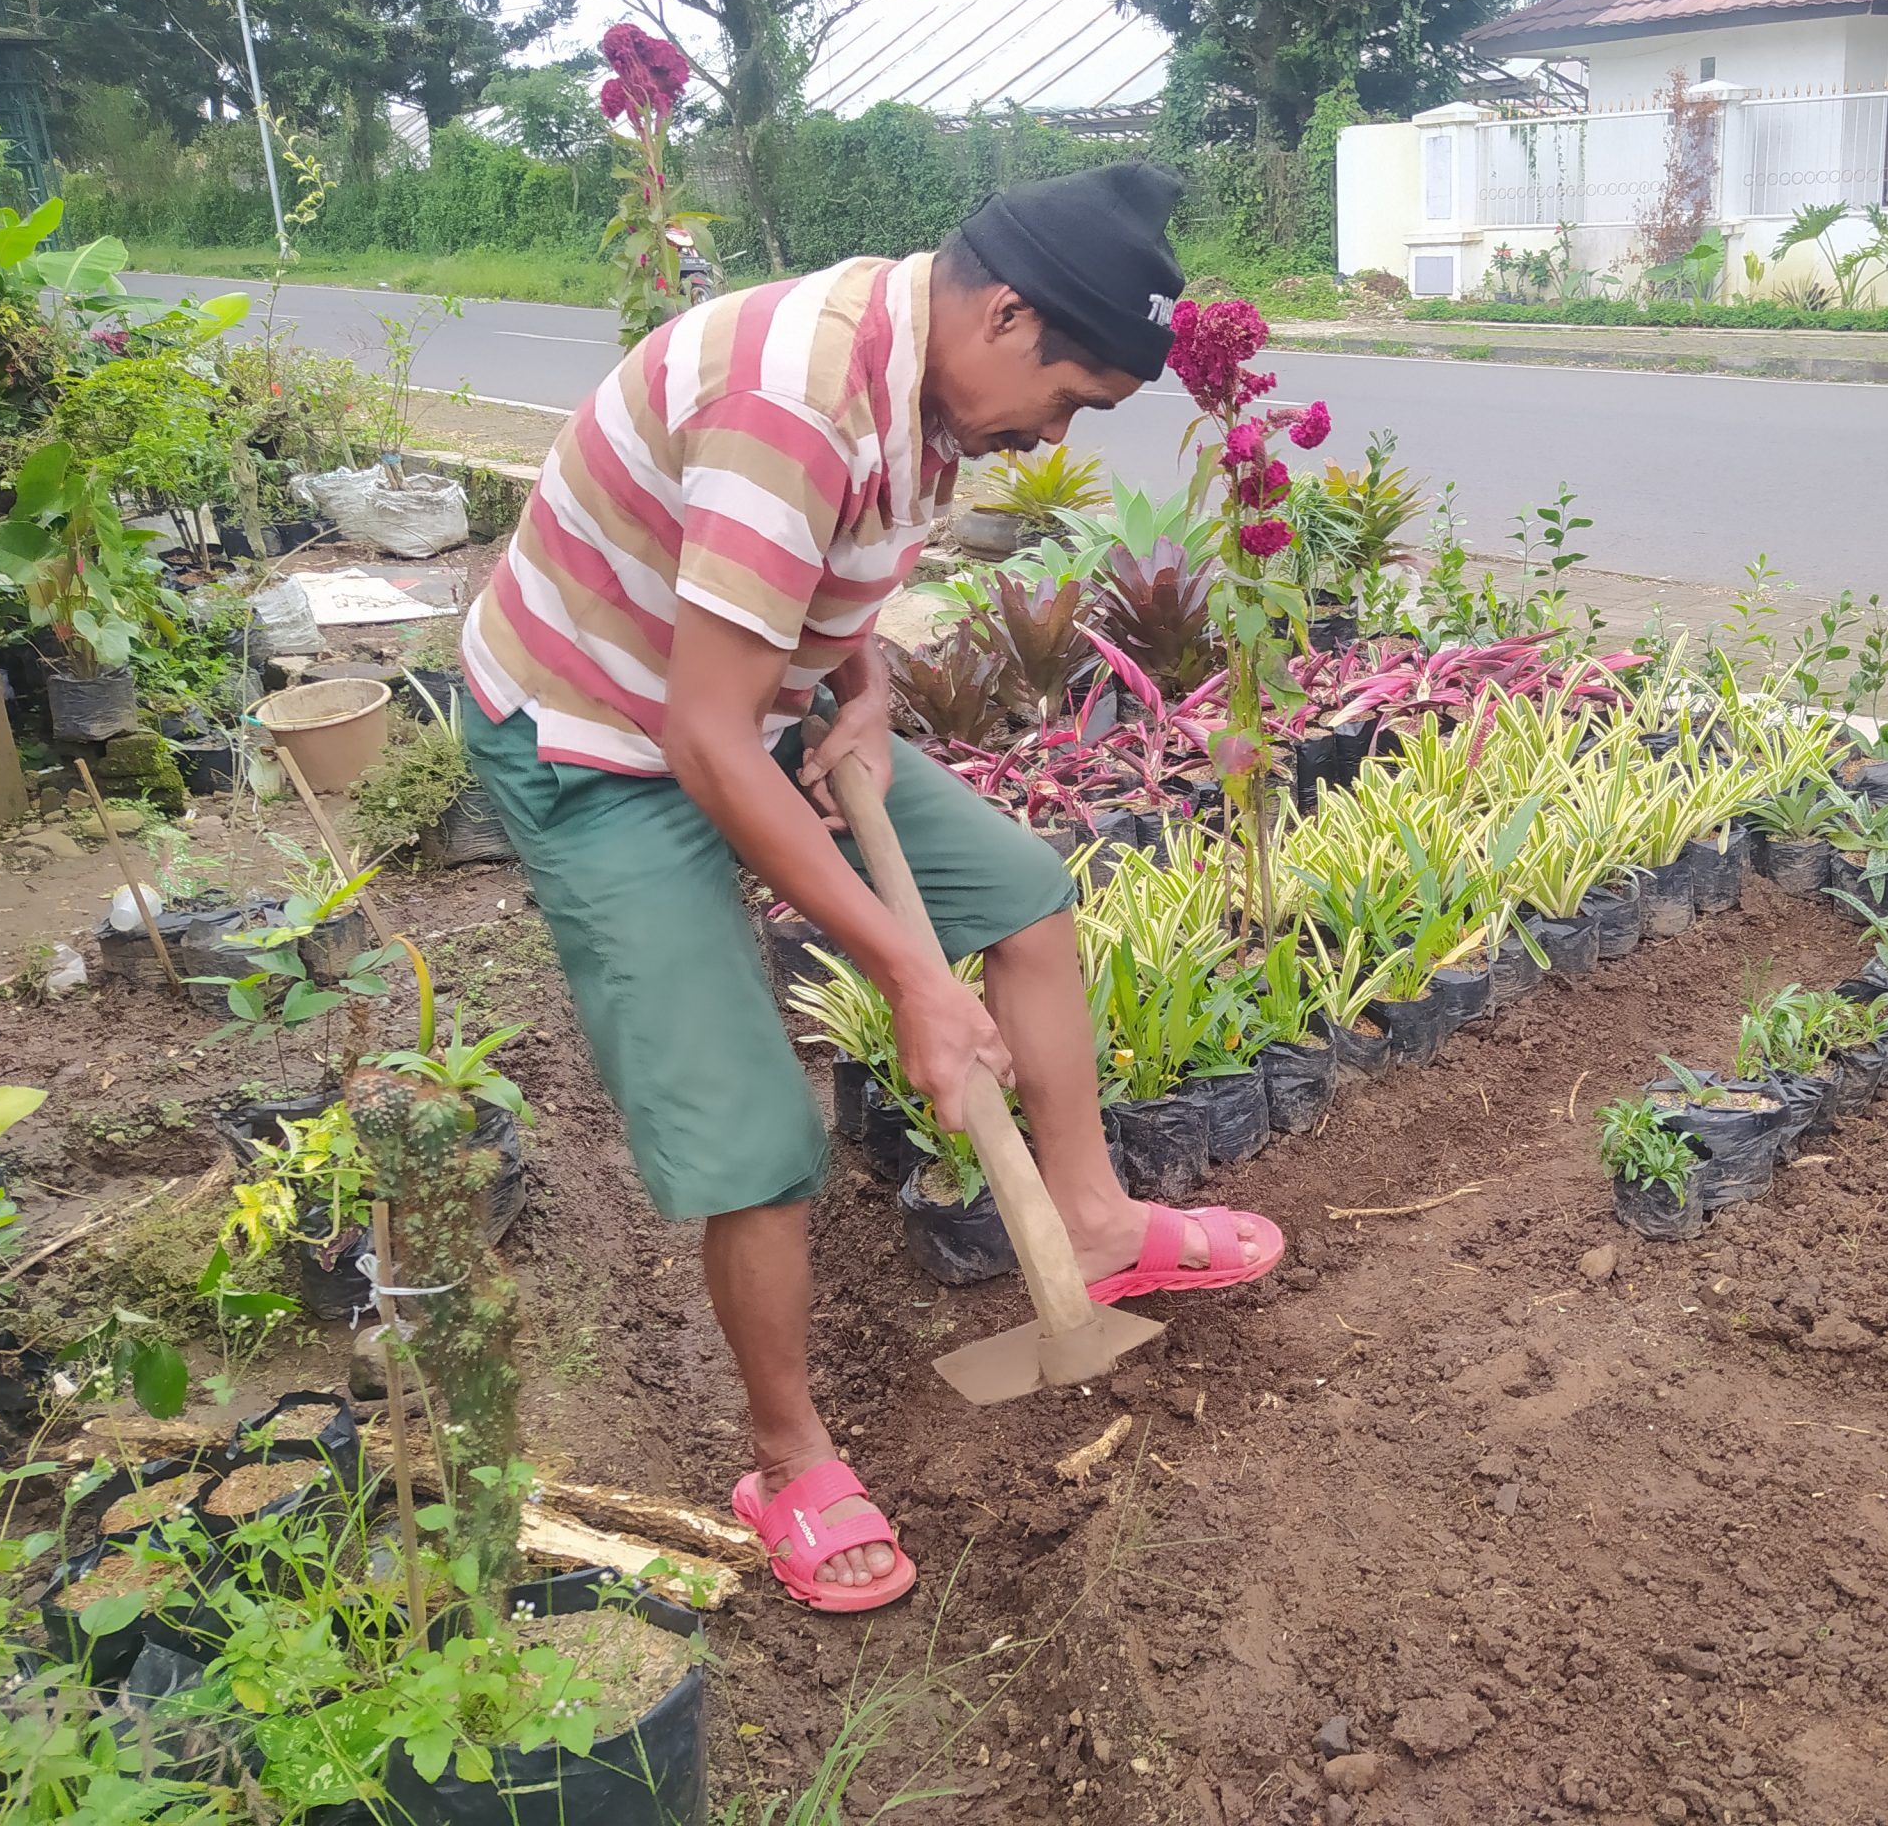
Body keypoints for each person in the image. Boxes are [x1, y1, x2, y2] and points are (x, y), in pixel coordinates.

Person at [455, 164, 1283, 1614]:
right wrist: (905, 968)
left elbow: (822, 577)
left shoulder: (937, 378)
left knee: (1023, 892)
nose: (1057, 436)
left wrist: (869, 676)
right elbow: (701, 744)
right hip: (602, 741)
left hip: (741, 707)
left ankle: (1089, 1224)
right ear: (1009, 315)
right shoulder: (796, 403)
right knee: (756, 1133)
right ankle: (787, 1458)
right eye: (1074, 399)